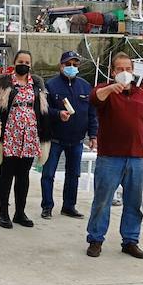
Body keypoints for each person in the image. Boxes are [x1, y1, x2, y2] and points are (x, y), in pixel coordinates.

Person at [86, 52, 143, 259]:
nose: (125, 73)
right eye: (120, 69)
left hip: (136, 158)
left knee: (134, 202)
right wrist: (111, 88)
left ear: (133, 71)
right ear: (113, 71)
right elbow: (94, 98)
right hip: (109, 157)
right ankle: (95, 239)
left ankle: (130, 240)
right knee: (102, 201)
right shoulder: (105, 90)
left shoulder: (141, 94)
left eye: (128, 69)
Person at [0, 50, 51, 229]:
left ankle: (20, 212)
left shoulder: (37, 84)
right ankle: (3, 213)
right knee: (6, 173)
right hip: (10, 133)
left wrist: (44, 135)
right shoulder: (3, 82)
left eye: (27, 61)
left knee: (23, 174)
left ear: (30, 64)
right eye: (20, 61)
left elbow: (43, 111)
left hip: (30, 135)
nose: (24, 64)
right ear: (15, 61)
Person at [42, 50, 98, 220]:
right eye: (68, 64)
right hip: (55, 139)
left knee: (73, 174)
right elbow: (44, 110)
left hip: (77, 140)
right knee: (48, 174)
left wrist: (93, 135)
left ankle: (69, 206)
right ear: (61, 66)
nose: (72, 67)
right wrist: (58, 114)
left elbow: (91, 113)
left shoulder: (85, 86)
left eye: (75, 64)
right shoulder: (50, 86)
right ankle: (47, 206)